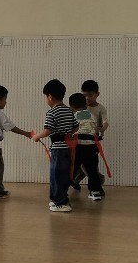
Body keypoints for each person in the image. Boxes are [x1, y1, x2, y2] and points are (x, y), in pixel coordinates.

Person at [30, 79, 78, 212]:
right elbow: (76, 127)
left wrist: (36, 136)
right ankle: (60, 199)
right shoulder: (69, 111)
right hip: (68, 148)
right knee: (64, 174)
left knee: (56, 176)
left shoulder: (52, 112)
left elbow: (47, 131)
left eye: (46, 97)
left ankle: (60, 202)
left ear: (50, 97)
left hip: (58, 149)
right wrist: (67, 133)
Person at [72, 79, 109, 192]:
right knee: (83, 164)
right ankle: (78, 181)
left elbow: (105, 122)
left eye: (90, 95)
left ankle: (97, 182)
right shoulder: (79, 106)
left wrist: (102, 128)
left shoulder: (100, 108)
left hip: (92, 140)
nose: (87, 98)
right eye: (84, 95)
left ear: (97, 94)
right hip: (79, 139)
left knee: (89, 164)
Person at [68, 93, 104, 201]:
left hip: (78, 147)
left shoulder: (73, 116)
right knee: (92, 170)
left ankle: (63, 189)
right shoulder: (92, 116)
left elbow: (70, 131)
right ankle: (95, 192)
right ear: (85, 105)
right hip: (92, 147)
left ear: (71, 107)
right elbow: (95, 130)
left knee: (72, 169)